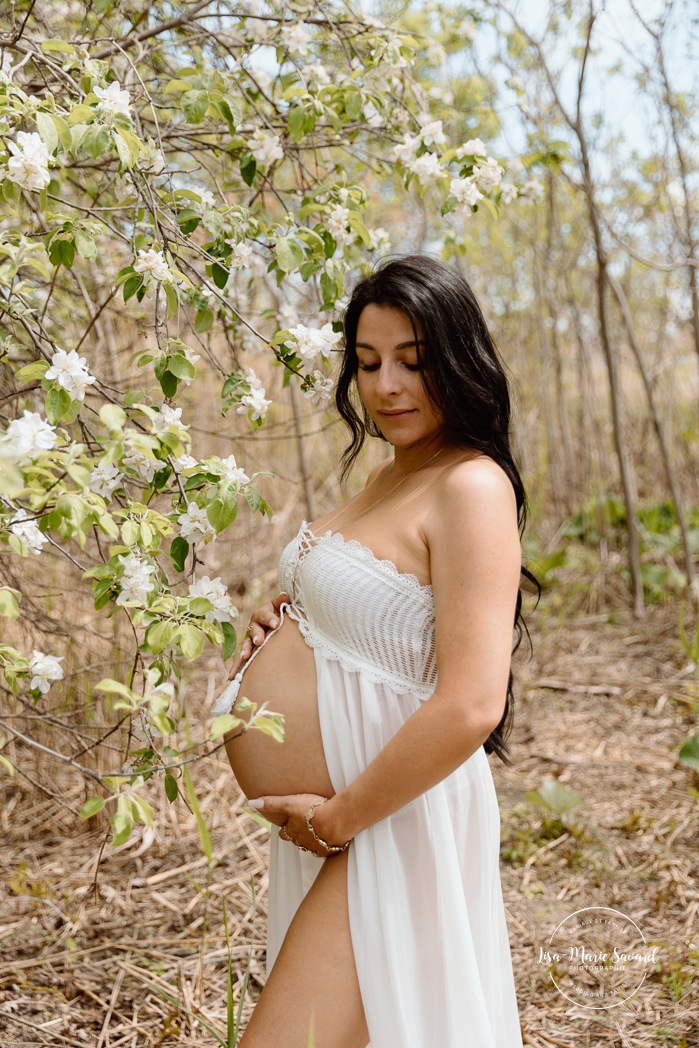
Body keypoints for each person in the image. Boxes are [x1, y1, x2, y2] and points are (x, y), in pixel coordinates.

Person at [215, 254, 531, 1047]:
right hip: (344, 827)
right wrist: (283, 623)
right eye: (366, 362)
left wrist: (336, 822)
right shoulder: (388, 476)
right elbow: (374, 620)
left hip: (385, 826)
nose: (385, 385)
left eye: (411, 362)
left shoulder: (469, 486)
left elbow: (469, 702)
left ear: (458, 361)